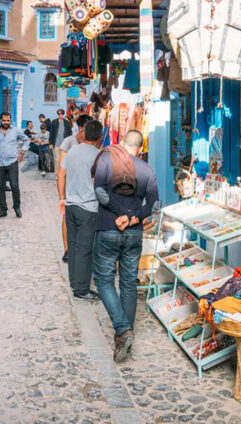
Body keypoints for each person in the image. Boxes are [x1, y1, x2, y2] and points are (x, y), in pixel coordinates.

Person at [92, 130, 160, 362]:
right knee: (129, 282)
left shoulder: (106, 159)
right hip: (133, 233)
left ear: (122, 143)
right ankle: (126, 334)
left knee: (103, 280)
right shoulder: (147, 170)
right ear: (140, 149)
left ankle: (123, 330)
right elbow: (155, 204)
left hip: (109, 228)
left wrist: (121, 213)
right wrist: (134, 216)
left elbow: (99, 191)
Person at [57, 120, 103, 301]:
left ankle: (75, 282)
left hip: (71, 205)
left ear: (84, 134)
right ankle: (82, 289)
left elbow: (61, 174)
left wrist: (62, 197)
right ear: (100, 136)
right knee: (85, 249)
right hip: (88, 207)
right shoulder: (99, 155)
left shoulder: (73, 150)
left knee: (74, 246)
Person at [57, 114, 92, 262]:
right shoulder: (69, 142)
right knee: (67, 218)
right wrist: (61, 196)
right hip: (71, 187)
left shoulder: (92, 142)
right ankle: (67, 249)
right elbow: (62, 170)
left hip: (86, 186)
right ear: (82, 128)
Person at [0, 112, 30, 219]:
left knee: (14, 185)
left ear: (10, 121)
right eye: (4, 120)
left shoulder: (15, 131)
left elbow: (27, 139)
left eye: (8, 120)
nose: (6, 122)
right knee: (0, 187)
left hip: (12, 162)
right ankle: (3, 210)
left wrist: (22, 153)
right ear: (0, 121)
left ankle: (17, 207)